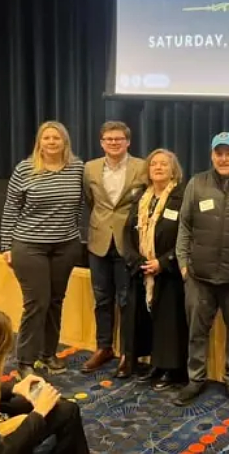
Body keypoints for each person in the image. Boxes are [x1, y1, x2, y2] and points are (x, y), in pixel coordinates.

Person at [173, 132, 229, 407]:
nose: (223, 158)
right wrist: (183, 265)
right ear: (212, 155)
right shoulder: (196, 183)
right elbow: (185, 226)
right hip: (199, 277)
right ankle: (195, 379)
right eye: (219, 153)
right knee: (196, 332)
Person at [0, 121, 84, 380]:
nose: (51, 142)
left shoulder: (77, 168)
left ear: (64, 142)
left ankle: (48, 353)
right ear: (39, 142)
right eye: (46, 138)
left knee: (56, 301)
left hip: (65, 246)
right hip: (29, 245)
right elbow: (11, 208)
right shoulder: (25, 169)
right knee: (37, 303)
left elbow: (78, 205)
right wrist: (6, 245)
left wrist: (72, 230)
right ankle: (25, 359)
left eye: (56, 138)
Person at [0, 307, 90, 454]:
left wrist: (14, 388)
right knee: (62, 411)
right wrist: (39, 413)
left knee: (64, 408)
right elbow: (3, 451)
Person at [82, 121, 146, 378]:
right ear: (101, 142)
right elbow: (90, 200)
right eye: (109, 139)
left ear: (128, 142)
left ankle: (127, 354)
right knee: (102, 298)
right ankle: (104, 347)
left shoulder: (142, 167)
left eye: (119, 139)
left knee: (126, 300)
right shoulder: (90, 168)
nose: (114, 143)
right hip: (98, 242)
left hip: (127, 243)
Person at [123, 149, 188, 391]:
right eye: (154, 164)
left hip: (168, 271)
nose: (158, 168)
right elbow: (127, 231)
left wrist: (163, 262)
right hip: (143, 270)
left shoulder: (182, 198)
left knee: (169, 322)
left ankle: (171, 369)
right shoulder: (140, 197)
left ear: (174, 170)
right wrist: (136, 260)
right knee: (149, 321)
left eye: (164, 164)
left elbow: (185, 235)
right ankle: (156, 365)